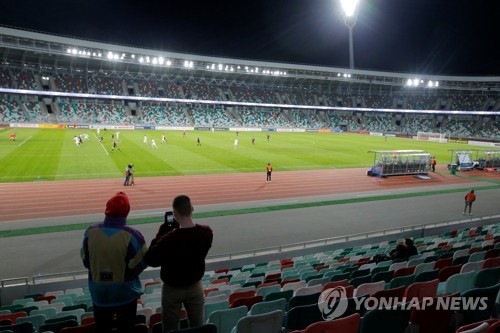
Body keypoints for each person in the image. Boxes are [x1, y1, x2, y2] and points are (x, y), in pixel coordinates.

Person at [81, 192, 148, 333]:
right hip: (125, 293)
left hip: (100, 294)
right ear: (127, 211)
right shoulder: (133, 235)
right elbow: (139, 265)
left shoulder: (90, 232)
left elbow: (86, 261)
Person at [144, 195, 213, 331]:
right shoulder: (206, 232)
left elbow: (150, 259)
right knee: (198, 327)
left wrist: (162, 233)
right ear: (192, 209)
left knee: (170, 329)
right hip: (195, 287)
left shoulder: (168, 239)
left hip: (172, 290)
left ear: (175, 213)